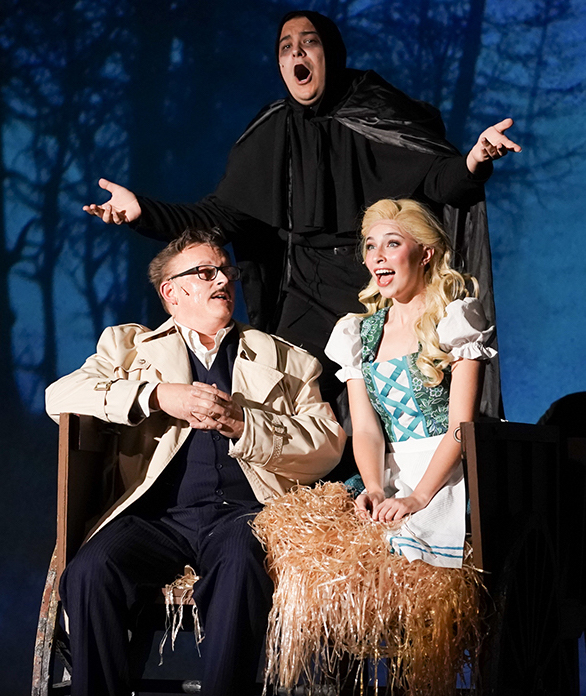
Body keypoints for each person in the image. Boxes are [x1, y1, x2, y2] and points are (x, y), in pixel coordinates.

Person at [82, 10, 519, 419]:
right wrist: (143, 212)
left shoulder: (376, 108)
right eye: (286, 47)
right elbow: (218, 217)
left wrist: (474, 161)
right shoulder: (270, 131)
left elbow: (436, 179)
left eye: (308, 43)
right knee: (288, 395)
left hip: (375, 281)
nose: (296, 53)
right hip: (304, 286)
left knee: (388, 398)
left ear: (330, 53)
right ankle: (300, 501)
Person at [45, 228, 345, 696]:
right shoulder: (129, 348)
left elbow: (327, 444)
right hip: (157, 518)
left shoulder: (287, 360)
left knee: (242, 562)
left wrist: (245, 424)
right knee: (89, 571)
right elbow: (59, 395)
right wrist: (160, 394)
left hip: (243, 515)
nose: (223, 278)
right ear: (172, 292)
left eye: (226, 270)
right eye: (206, 272)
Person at [252, 198, 495, 693]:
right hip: (390, 471)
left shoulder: (455, 320)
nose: (378, 257)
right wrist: (377, 489)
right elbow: (365, 430)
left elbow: (460, 428)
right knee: (320, 558)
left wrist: (419, 497)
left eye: (392, 243)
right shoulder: (359, 333)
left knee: (406, 563)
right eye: (370, 246)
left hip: (447, 472)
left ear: (424, 253)